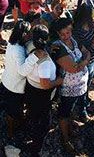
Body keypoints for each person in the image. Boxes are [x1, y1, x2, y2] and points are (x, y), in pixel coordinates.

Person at [1, 21, 44, 145]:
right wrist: (35, 56)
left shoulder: (12, 43)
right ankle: (10, 132)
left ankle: (14, 127)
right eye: (29, 32)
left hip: (8, 81)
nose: (31, 34)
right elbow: (22, 71)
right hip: (15, 87)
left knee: (12, 109)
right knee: (12, 111)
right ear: (24, 34)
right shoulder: (19, 50)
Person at [53, 17, 91, 154]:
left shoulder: (74, 40)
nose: (66, 36)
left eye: (68, 33)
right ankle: (65, 138)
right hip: (67, 88)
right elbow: (73, 68)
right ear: (58, 34)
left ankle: (70, 128)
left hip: (80, 86)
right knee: (64, 112)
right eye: (62, 34)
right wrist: (85, 61)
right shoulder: (57, 47)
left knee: (71, 108)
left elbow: (87, 52)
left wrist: (83, 62)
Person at [24, 25, 63, 155]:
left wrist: (48, 49)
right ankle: (36, 147)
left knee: (32, 114)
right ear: (47, 39)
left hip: (30, 88)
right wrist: (58, 81)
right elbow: (45, 84)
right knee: (42, 123)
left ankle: (30, 130)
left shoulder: (30, 46)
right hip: (40, 94)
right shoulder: (45, 62)